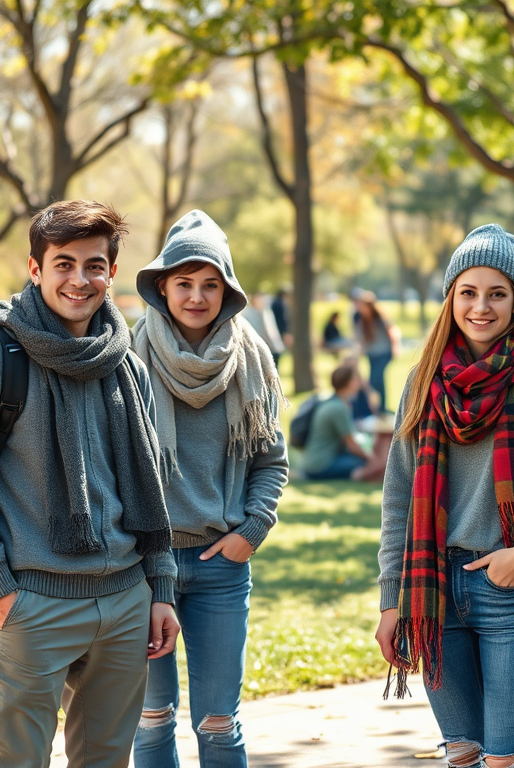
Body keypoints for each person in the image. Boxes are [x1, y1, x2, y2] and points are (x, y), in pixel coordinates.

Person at [0, 200, 177, 768]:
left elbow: (149, 482)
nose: (79, 279)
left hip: (124, 601)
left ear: (112, 274)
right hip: (31, 602)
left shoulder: (125, 361)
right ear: (35, 269)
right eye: (63, 264)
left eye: (94, 265)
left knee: (107, 760)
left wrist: (157, 587)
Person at [376, 224, 514, 768]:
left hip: (509, 590)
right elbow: (399, 501)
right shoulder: (422, 382)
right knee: (462, 756)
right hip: (433, 593)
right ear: (451, 299)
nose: (481, 307)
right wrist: (390, 601)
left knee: (503, 758)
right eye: (468, 292)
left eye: (497, 294)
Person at [131, 209, 289, 768]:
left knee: (218, 722)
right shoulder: (128, 357)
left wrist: (253, 529)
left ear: (228, 290)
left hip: (222, 562)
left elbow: (272, 460)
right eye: (184, 283)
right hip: (146, 566)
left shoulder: (254, 360)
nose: (196, 296)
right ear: (161, 287)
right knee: (150, 720)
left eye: (210, 284)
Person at [302, 360, 389, 482]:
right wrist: (373, 459)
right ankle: (363, 476)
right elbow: (352, 445)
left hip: (317, 460)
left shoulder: (333, 402)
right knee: (370, 463)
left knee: (373, 456)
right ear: (348, 383)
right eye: (356, 379)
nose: (359, 383)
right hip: (320, 465)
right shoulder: (339, 408)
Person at [353, 290, 400, 413]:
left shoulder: (379, 317)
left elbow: (392, 331)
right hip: (372, 354)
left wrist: (395, 347)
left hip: (384, 352)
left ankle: (380, 407)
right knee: (379, 380)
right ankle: (381, 407)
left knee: (375, 379)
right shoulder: (360, 319)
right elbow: (359, 338)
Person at [241, 291, 286, 368]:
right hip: (254, 347)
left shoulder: (266, 312)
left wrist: (277, 344)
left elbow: (272, 330)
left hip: (270, 346)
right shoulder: (247, 313)